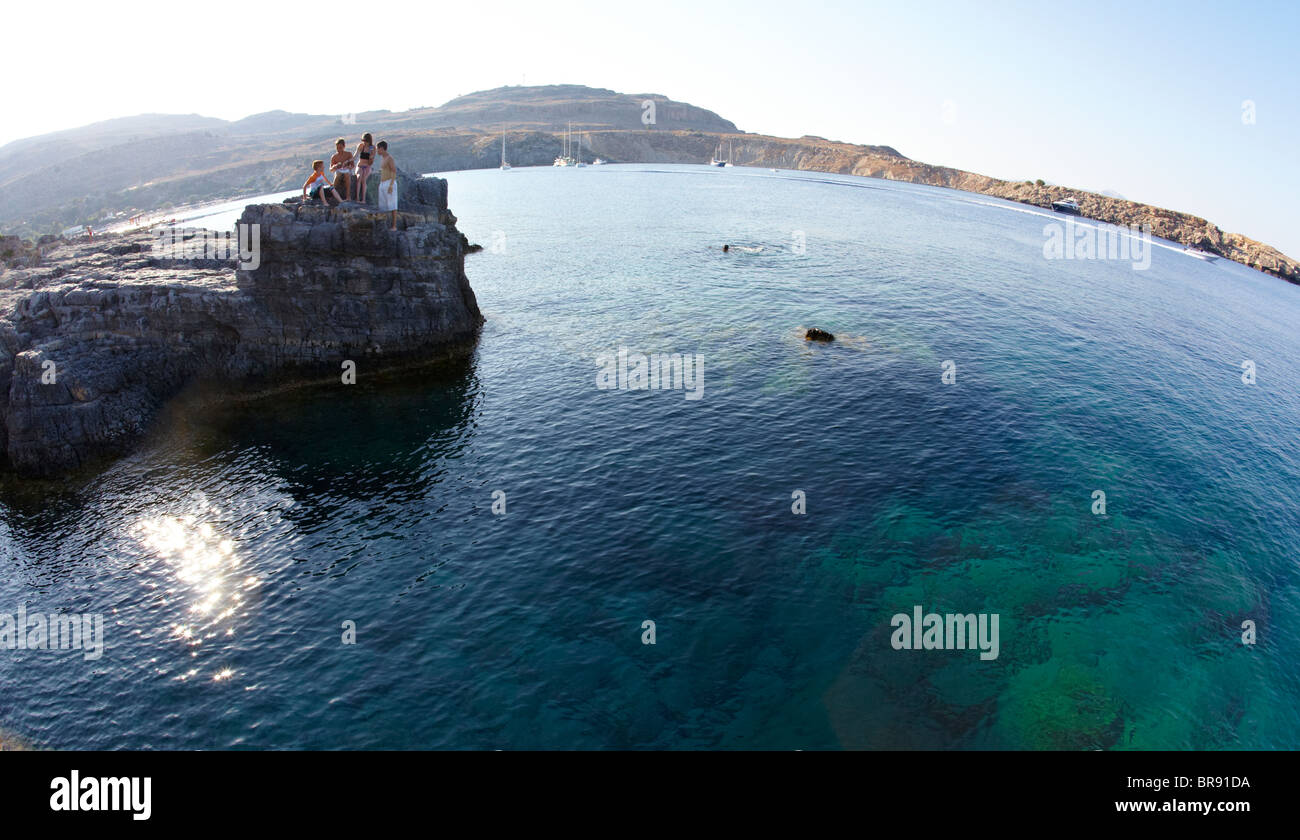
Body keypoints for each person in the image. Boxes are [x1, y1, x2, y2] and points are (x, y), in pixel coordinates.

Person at [376, 141, 398, 230]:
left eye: (378, 149)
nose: (377, 151)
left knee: (393, 206)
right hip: (382, 184)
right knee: (383, 206)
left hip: (389, 182)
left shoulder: (389, 158)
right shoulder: (383, 158)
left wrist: (391, 185)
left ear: (382, 148)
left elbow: (394, 171)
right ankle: (385, 225)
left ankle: (394, 226)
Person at [354, 132, 376, 204]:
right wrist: (349, 161)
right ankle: (357, 198)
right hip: (360, 165)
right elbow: (356, 155)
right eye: (363, 141)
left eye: (366, 141)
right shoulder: (361, 146)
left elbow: (371, 162)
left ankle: (363, 199)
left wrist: (371, 156)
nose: (364, 142)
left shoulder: (372, 148)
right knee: (359, 177)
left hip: (367, 166)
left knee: (364, 179)